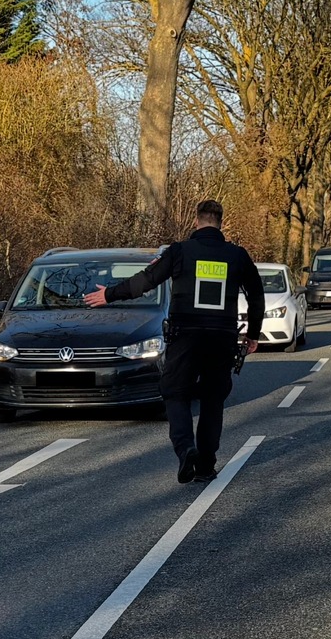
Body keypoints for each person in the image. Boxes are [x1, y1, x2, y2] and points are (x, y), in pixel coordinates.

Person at [84, 200, 265, 484]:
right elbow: (256, 295)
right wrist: (253, 333)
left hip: (186, 335)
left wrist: (109, 294)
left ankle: (186, 449)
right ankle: (205, 466)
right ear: (221, 222)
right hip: (222, 338)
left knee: (174, 393)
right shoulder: (237, 256)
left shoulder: (180, 251)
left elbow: (146, 280)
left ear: (196, 221)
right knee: (212, 400)